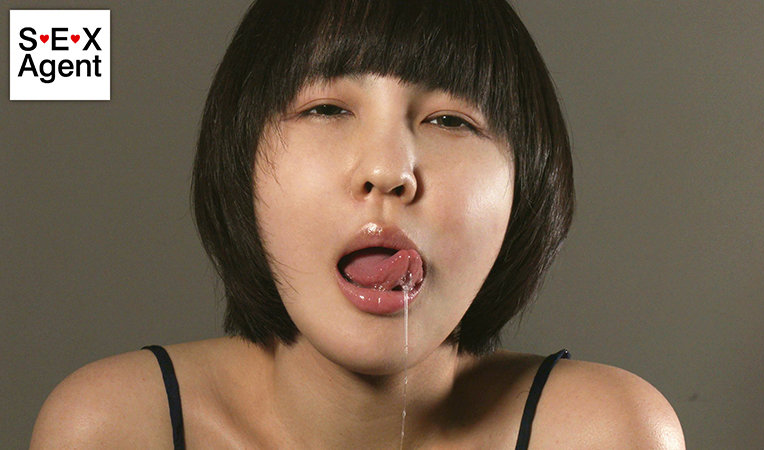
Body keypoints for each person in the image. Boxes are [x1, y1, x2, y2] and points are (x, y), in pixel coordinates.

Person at [31, 0, 685, 448]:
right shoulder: (115, 427)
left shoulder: (603, 433)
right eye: (327, 109)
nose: (387, 171)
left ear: (527, 185)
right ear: (239, 159)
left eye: (450, 120)